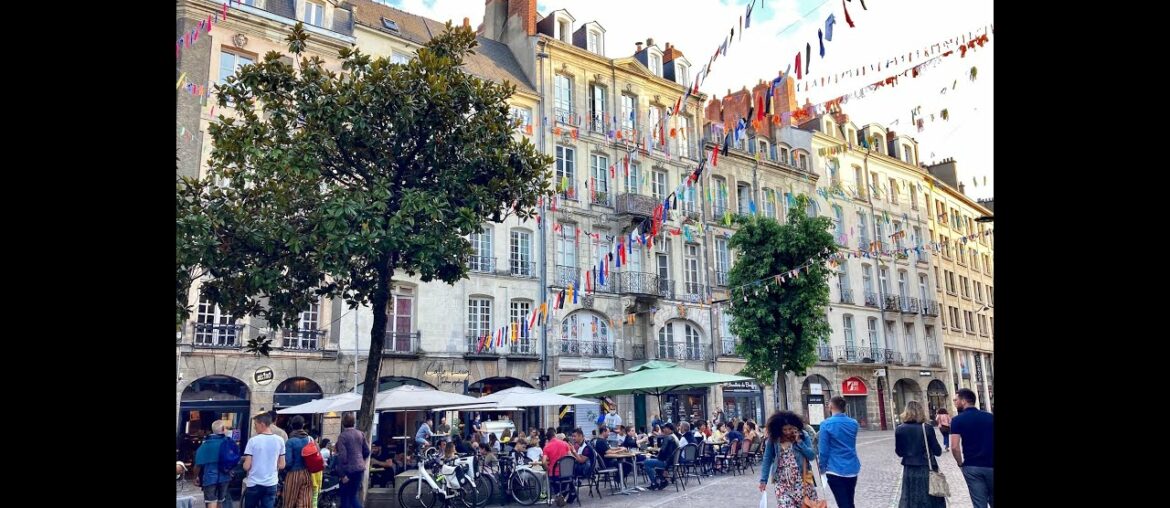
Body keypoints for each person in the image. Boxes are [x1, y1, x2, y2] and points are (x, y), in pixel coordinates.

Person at [758, 411, 818, 508]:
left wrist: (800, 442)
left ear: (795, 426)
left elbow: (811, 456)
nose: (787, 432)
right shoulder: (774, 438)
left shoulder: (803, 435)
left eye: (790, 428)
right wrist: (763, 480)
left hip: (802, 480)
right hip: (781, 482)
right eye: (784, 429)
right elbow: (767, 458)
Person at [895, 401, 945, 507]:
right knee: (929, 498)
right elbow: (938, 451)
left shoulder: (900, 429)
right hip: (927, 468)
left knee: (911, 497)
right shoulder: (927, 428)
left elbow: (899, 452)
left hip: (909, 469)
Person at [950, 388, 993, 507]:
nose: (954, 402)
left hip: (972, 466)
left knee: (979, 503)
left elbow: (954, 447)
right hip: (992, 465)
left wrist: (960, 463)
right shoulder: (990, 417)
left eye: (956, 400)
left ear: (963, 401)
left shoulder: (957, 420)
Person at [818, 396, 861, 508]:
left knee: (843, 503)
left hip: (835, 468)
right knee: (849, 501)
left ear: (831, 406)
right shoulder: (854, 423)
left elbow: (823, 450)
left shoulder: (826, 424)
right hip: (852, 467)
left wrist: (822, 467)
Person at [244, 412, 286, 508]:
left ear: (262, 424)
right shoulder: (280, 440)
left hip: (254, 483)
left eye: (255, 425)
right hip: (271, 483)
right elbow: (282, 465)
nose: (255, 428)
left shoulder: (253, 441)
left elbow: (247, 466)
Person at [334, 413, 370, 508]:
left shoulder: (342, 436)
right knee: (353, 495)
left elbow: (342, 456)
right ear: (354, 423)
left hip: (347, 470)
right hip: (359, 469)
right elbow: (367, 451)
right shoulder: (360, 434)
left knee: (345, 497)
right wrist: (362, 461)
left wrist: (342, 474)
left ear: (343, 423)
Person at [193, 419, 232, 508]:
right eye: (226, 428)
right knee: (221, 500)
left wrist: (195, 477)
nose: (227, 430)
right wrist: (230, 470)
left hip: (210, 477)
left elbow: (198, 464)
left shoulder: (206, 444)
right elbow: (233, 459)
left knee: (211, 501)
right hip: (225, 476)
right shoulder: (228, 443)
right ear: (222, 429)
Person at [642, 423, 679, 491]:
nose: (663, 429)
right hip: (673, 461)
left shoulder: (668, 438)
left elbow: (662, 452)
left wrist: (657, 457)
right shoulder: (674, 437)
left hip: (666, 462)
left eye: (664, 428)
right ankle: (662, 480)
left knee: (647, 462)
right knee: (653, 460)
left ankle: (654, 483)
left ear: (668, 429)